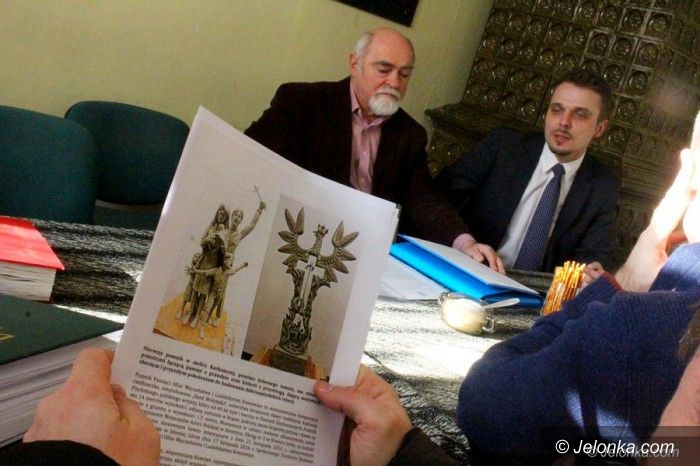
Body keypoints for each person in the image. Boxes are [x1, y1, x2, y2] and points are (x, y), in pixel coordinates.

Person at [457, 147, 700, 460]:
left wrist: (622, 286)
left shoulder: (636, 328)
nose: (564, 124)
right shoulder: (505, 149)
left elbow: (484, 407)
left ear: (690, 178)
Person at [245, 28, 477, 266]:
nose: (395, 83)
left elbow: (423, 198)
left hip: (366, 252)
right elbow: (249, 156)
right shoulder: (302, 102)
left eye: (404, 75)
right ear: (354, 64)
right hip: (300, 237)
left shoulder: (410, 134)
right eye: (384, 70)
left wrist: (464, 243)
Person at [438, 68, 621, 273]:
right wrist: (464, 242)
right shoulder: (504, 147)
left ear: (599, 129)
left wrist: (590, 271)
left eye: (579, 115)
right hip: (472, 270)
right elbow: (438, 198)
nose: (563, 122)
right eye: (557, 109)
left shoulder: (603, 185)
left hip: (537, 290)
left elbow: (595, 253)